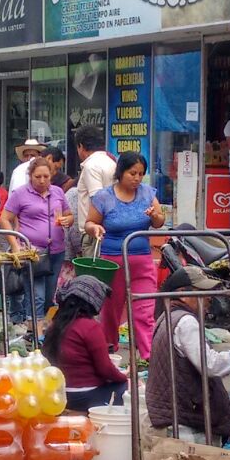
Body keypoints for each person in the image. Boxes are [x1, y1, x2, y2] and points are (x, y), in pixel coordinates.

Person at [146, 265, 230, 450]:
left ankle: (229, 444)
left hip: (179, 400)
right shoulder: (186, 322)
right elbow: (211, 365)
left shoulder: (168, 316)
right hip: (185, 407)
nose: (208, 299)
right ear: (183, 294)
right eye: (202, 293)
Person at [83, 151, 165, 360]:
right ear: (120, 172)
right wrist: (95, 229)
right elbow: (90, 222)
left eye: (141, 174)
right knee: (111, 309)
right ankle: (108, 347)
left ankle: (149, 355)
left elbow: (159, 222)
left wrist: (156, 216)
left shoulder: (148, 194)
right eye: (132, 173)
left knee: (145, 309)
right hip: (112, 262)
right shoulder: (104, 197)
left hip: (142, 262)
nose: (137, 178)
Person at [1, 156, 73, 322]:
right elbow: (4, 218)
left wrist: (67, 220)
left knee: (49, 295)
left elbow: (69, 215)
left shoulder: (58, 192)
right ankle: (34, 331)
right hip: (33, 252)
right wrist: (15, 245)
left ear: (51, 176)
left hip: (56, 250)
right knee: (37, 294)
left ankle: (38, 327)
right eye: (37, 177)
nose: (42, 181)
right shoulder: (20, 194)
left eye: (46, 177)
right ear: (30, 176)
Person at [44, 275, 128, 411]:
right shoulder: (90, 327)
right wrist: (124, 377)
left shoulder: (55, 326)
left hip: (57, 395)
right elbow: (105, 369)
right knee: (129, 388)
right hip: (84, 396)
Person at [74, 126, 116, 235]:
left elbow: (97, 200)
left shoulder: (91, 166)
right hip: (108, 229)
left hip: (94, 233)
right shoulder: (111, 162)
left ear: (81, 146)